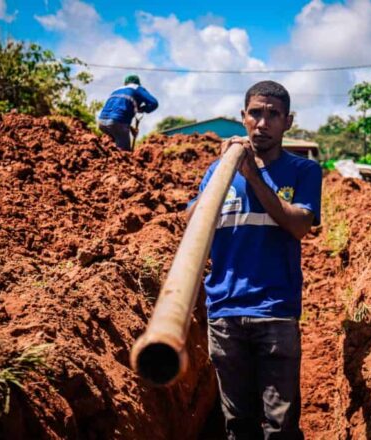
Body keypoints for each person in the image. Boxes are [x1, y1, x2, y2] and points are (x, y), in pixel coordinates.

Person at [187, 80, 322, 439]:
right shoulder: (218, 172)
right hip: (225, 313)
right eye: (255, 113)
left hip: (275, 312)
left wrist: (253, 176)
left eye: (273, 115)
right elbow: (193, 224)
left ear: (287, 122)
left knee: (280, 427)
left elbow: (299, 225)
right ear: (243, 118)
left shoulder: (303, 171)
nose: (263, 123)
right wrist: (224, 170)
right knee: (238, 426)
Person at [97, 74, 158, 151]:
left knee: (112, 150)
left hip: (101, 123)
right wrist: (143, 109)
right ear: (138, 83)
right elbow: (154, 103)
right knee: (124, 152)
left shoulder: (116, 90)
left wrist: (131, 129)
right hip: (118, 123)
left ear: (125, 83)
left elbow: (114, 114)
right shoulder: (137, 88)